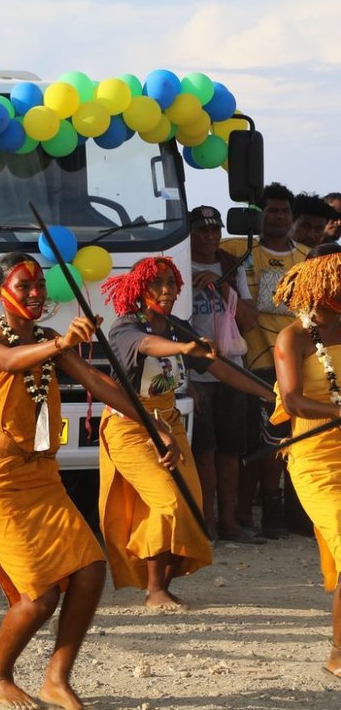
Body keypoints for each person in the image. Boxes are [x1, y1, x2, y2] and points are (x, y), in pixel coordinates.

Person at [0, 252, 112, 710]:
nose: (35, 293)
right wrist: (60, 343)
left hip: (43, 476)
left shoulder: (50, 340)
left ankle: (56, 678)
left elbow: (93, 380)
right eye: (23, 285)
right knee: (42, 594)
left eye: (39, 285)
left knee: (90, 569)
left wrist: (152, 424)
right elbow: (9, 361)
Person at [98, 257, 271, 610]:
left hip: (171, 425)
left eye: (172, 283)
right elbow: (147, 346)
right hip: (131, 427)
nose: (166, 290)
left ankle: (162, 584)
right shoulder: (126, 327)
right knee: (169, 501)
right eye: (157, 283)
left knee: (187, 506)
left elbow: (221, 368)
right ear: (139, 289)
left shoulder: (177, 327)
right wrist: (182, 349)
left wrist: (269, 393)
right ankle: (154, 591)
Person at [222, 182, 309, 539]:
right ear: (259, 216)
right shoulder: (236, 250)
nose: (278, 217)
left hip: (297, 361)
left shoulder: (307, 256)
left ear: (292, 217)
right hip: (253, 362)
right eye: (271, 211)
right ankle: (252, 509)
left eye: (284, 211)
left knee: (290, 439)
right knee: (258, 444)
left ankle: (284, 509)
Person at [269, 253, 341, 678]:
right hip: (315, 459)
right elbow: (293, 400)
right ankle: (337, 654)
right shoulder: (292, 337)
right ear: (320, 283)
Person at [185, 206, 264, 543]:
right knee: (203, 452)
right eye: (202, 230)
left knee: (230, 452)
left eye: (214, 230)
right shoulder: (176, 267)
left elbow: (250, 320)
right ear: (189, 233)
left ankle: (229, 522)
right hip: (196, 372)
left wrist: (223, 288)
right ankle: (207, 523)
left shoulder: (231, 264)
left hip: (232, 369)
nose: (210, 236)